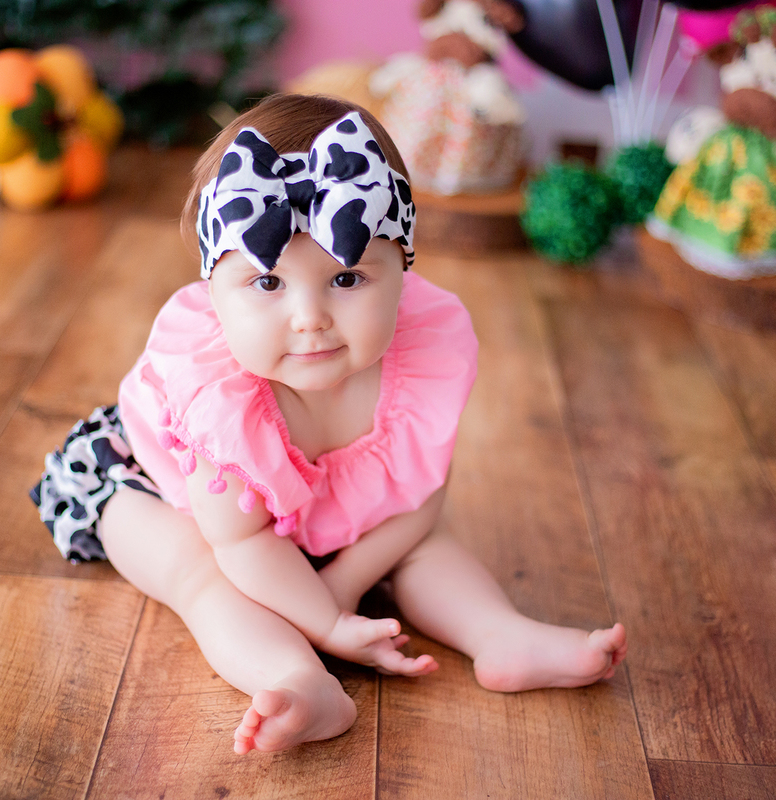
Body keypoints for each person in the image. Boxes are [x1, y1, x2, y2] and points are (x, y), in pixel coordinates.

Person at [31, 93, 627, 756]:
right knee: (200, 577)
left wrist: (340, 587)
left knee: (426, 548)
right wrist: (327, 625)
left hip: (315, 519)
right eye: (268, 284)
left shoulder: (416, 358)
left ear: (402, 268)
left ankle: (500, 634)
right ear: (213, 292)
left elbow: (421, 500)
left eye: (346, 279)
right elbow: (243, 545)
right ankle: (296, 682)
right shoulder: (217, 405)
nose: (310, 317)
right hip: (161, 495)